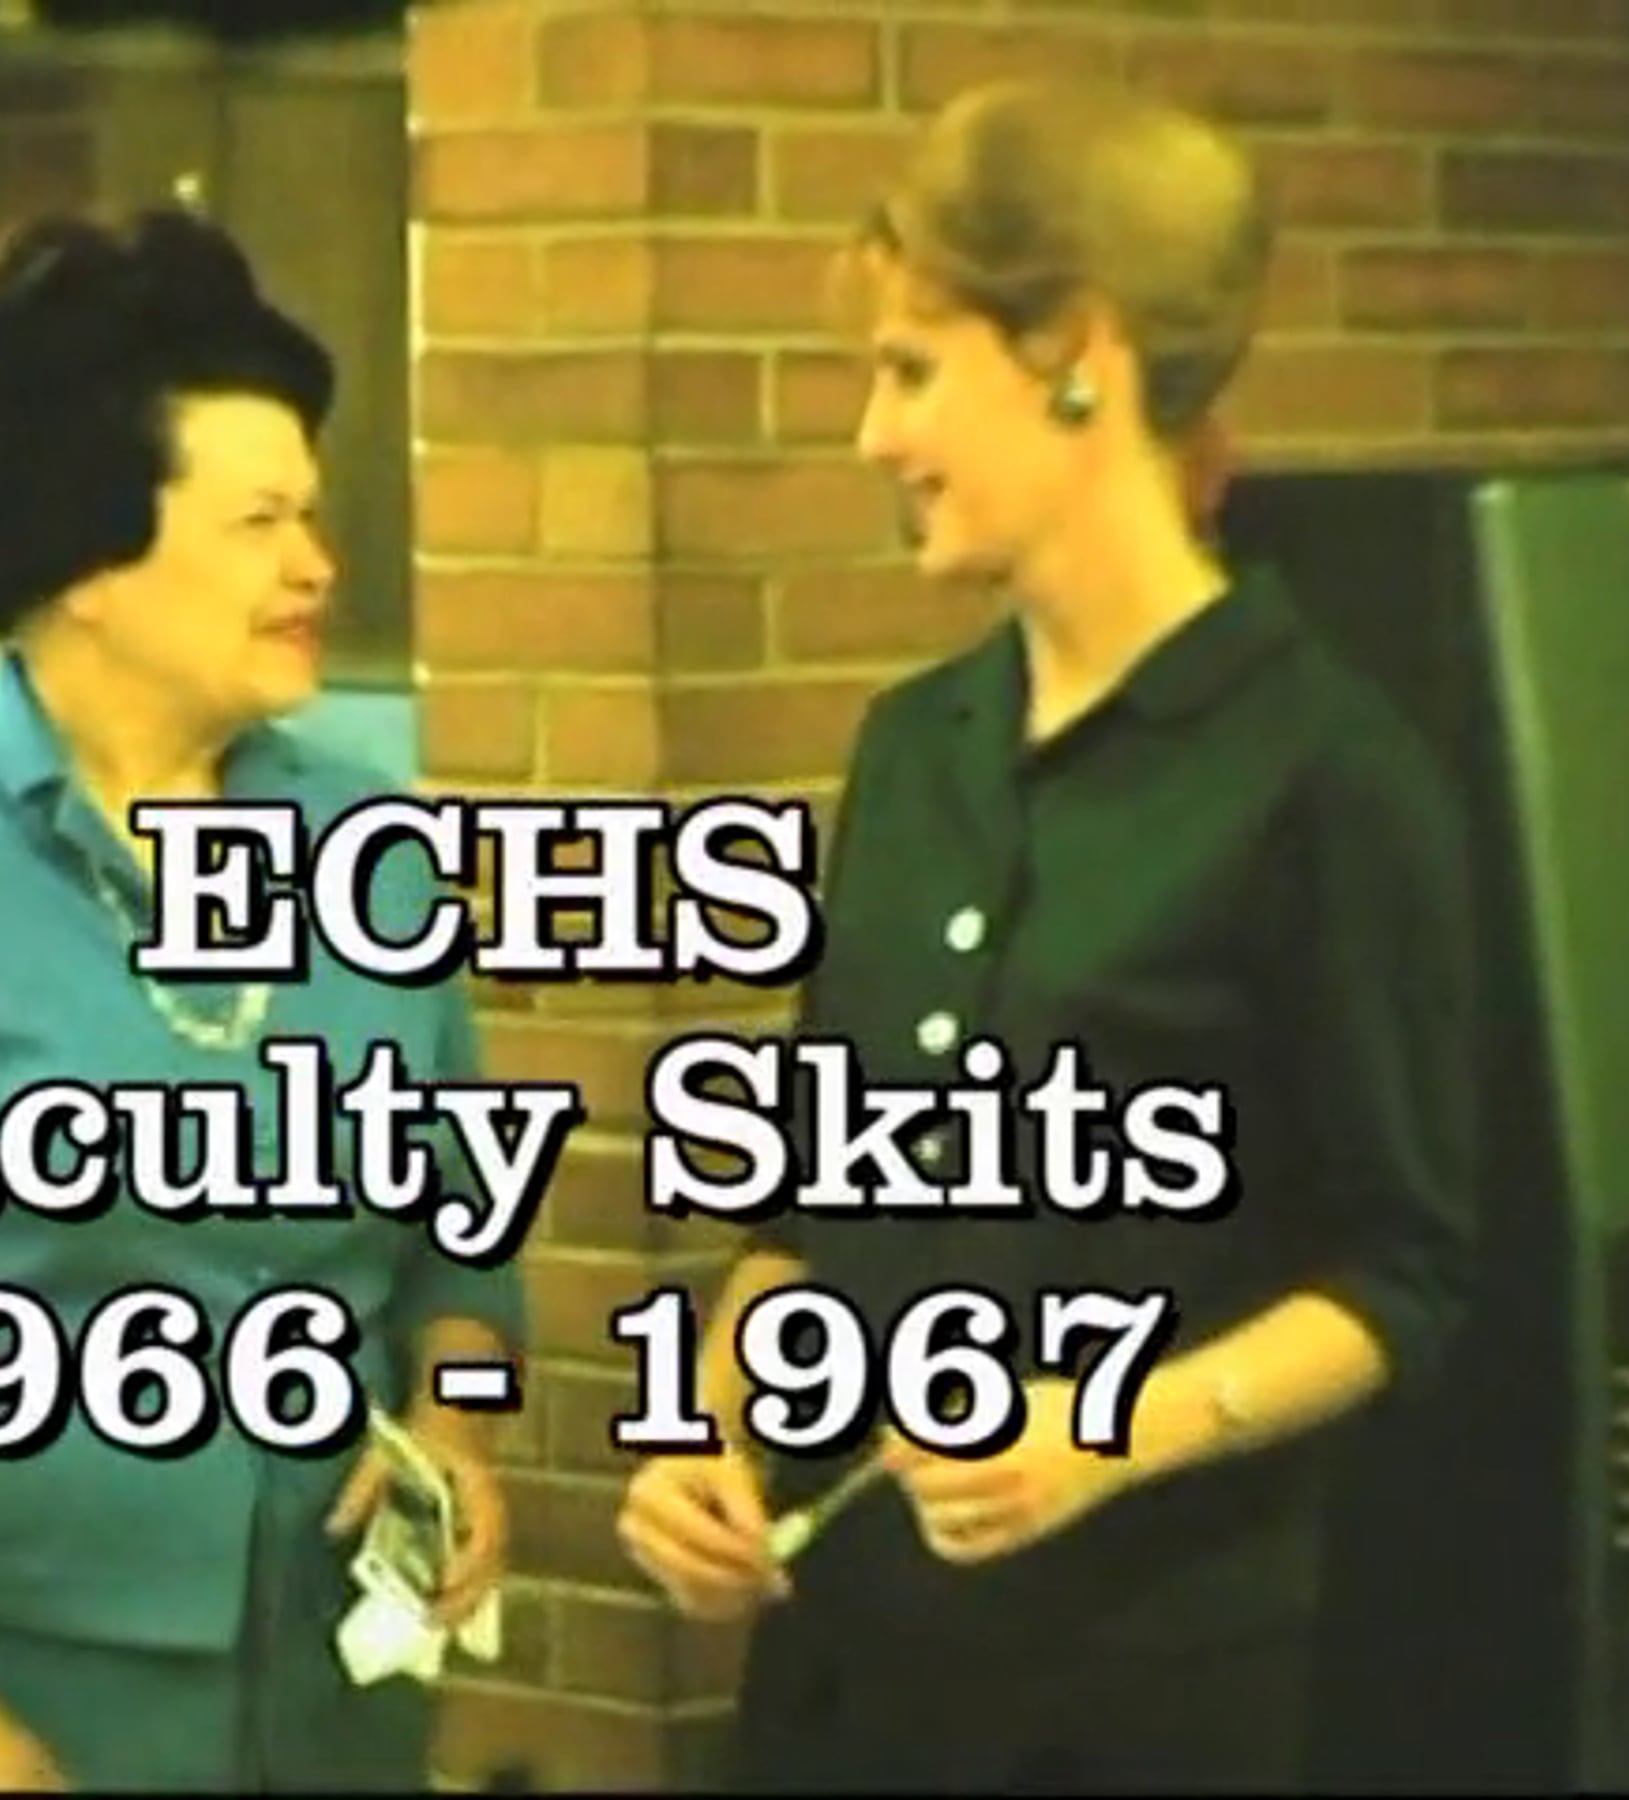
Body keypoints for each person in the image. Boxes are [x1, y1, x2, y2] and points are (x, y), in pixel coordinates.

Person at [615, 75, 1477, 1794]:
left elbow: (1404, 1277)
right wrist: (709, 1432)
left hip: (1137, 1701)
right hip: (838, 1683)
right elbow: (806, 1211)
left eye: (910, 371)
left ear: (1077, 357)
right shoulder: (908, 746)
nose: (873, 437)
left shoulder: (1332, 776)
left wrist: (1107, 1431)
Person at [0, 207, 522, 1792]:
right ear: (91, 561)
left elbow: (460, 1244)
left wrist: (455, 1428)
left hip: (324, 1727)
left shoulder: (376, 863)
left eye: (314, 514)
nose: (317, 565)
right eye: (259, 522)